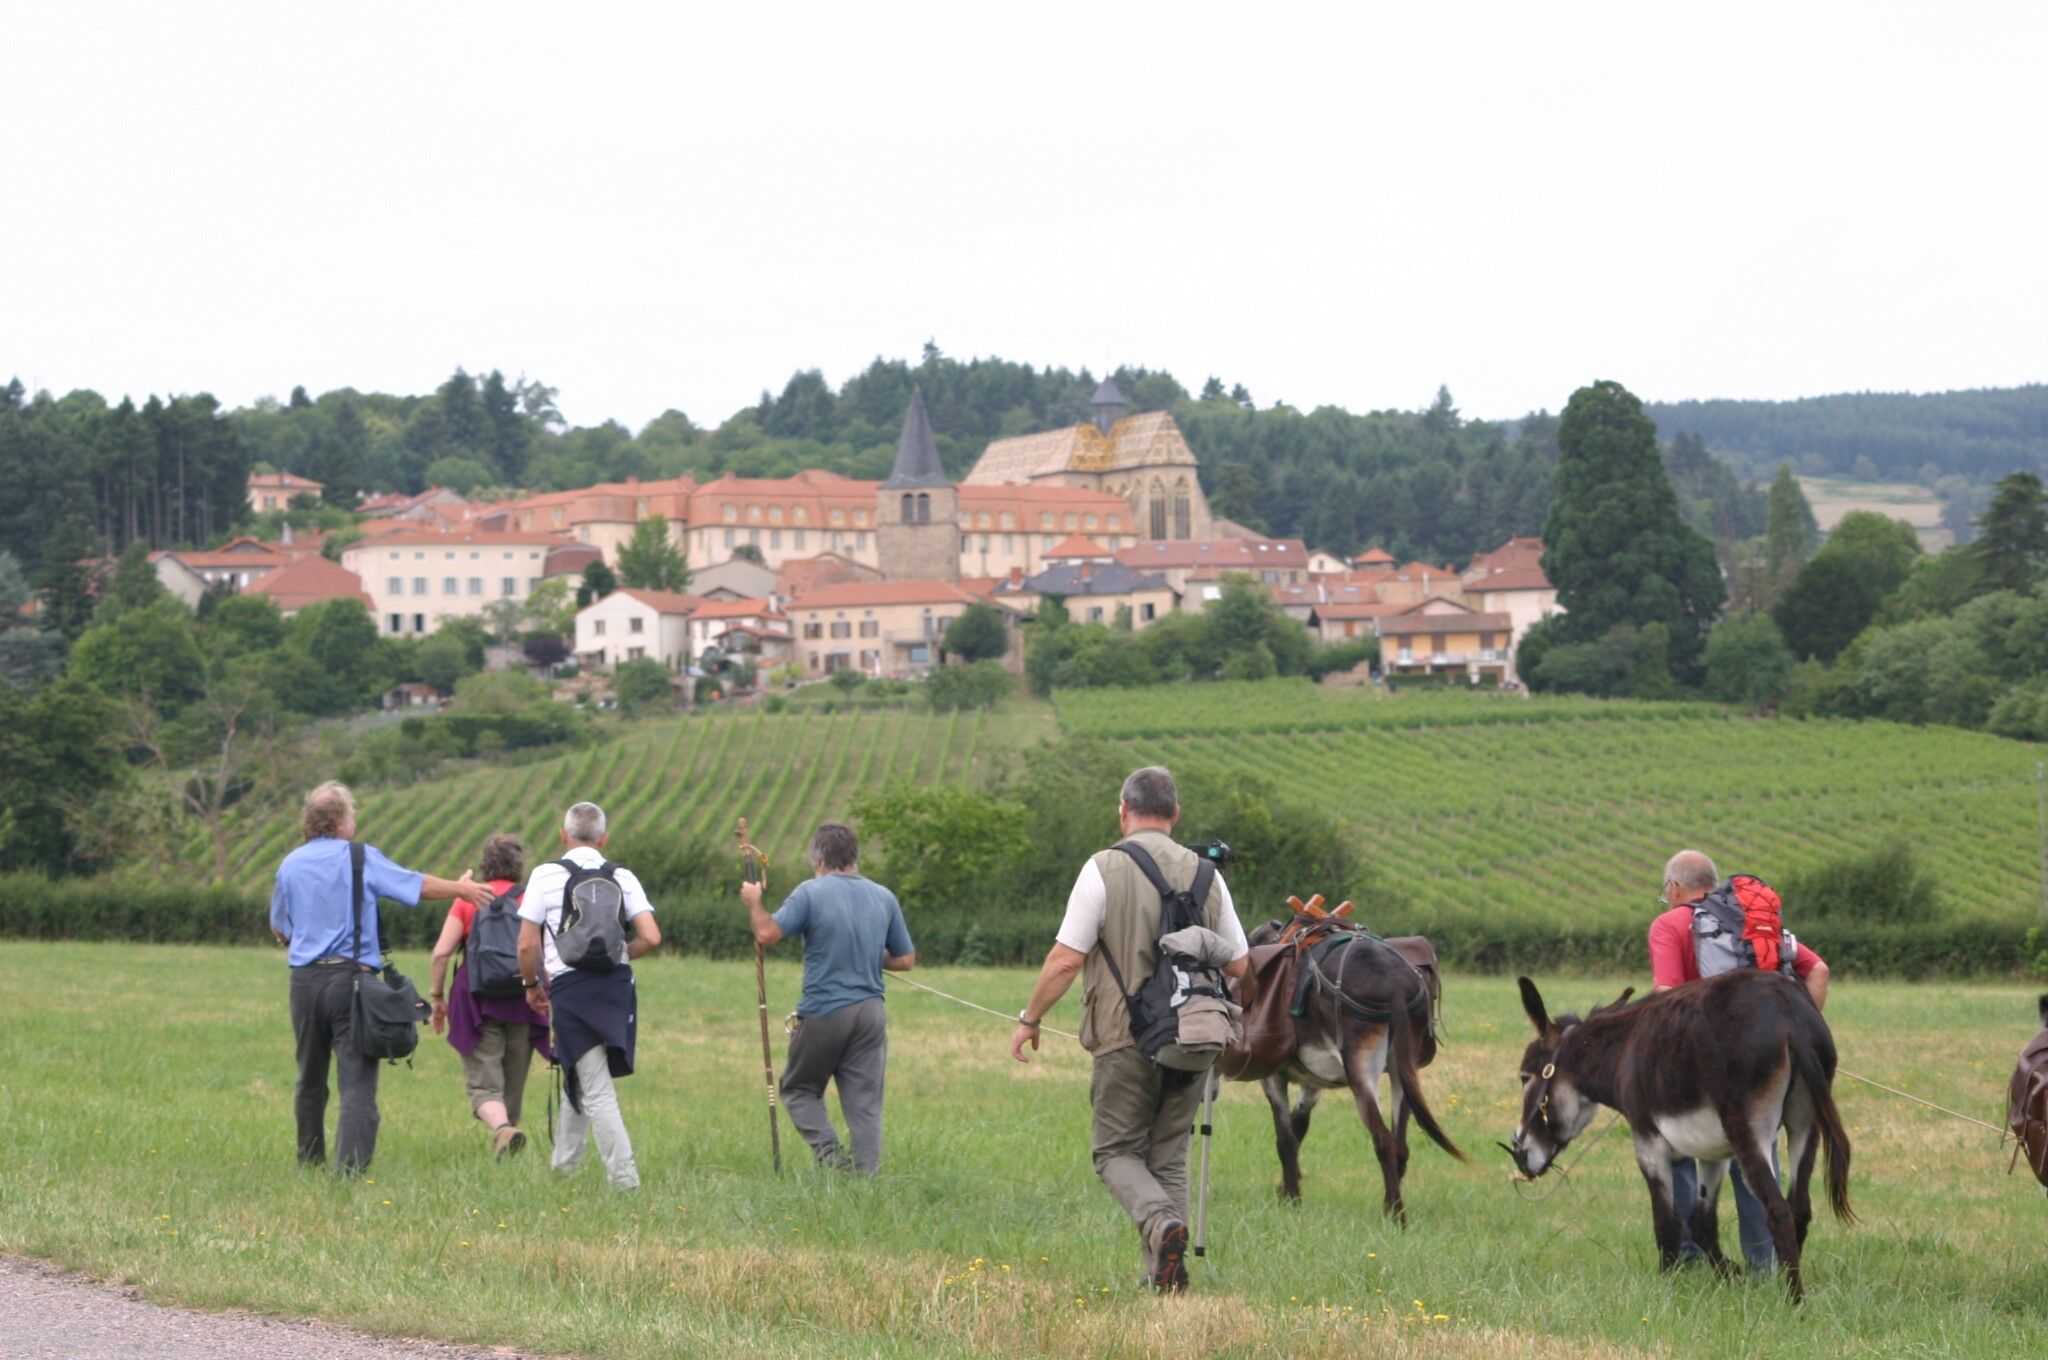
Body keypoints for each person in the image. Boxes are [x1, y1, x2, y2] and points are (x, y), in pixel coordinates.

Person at [1007, 766, 1251, 1293]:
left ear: (1123, 809)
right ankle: (1165, 1277)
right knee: (1168, 1155)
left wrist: (1030, 1019)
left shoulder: (1103, 868)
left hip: (1125, 1036)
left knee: (1115, 1152)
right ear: (1176, 815)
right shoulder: (1210, 876)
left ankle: (1162, 1227)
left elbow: (1065, 961)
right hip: (1195, 1034)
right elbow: (1240, 966)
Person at [269, 781, 492, 1175]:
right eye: (352, 814)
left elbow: (280, 928)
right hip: (350, 981)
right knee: (355, 1080)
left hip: (303, 982)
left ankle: (310, 1162)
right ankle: (349, 1172)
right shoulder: (359, 857)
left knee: (310, 1076)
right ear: (341, 822)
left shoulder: (289, 864)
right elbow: (415, 884)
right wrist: (461, 888)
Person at [1651, 848, 1830, 1275]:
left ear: (1675, 887)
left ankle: (1689, 1258)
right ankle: (1766, 1263)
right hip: (1765, 1060)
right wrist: (1794, 1038)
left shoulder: (1669, 924)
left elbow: (1665, 997)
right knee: (1757, 1157)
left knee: (1674, 1151)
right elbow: (1817, 970)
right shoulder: (1750, 921)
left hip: (1696, 1065)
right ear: (1713, 884)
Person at [741, 821, 916, 1174]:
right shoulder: (883, 896)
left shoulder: (810, 892)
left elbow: (767, 933)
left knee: (798, 1090)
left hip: (826, 1010)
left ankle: (835, 1162)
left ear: (818, 860)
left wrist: (754, 902)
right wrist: (866, 954)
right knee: (864, 1105)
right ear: (854, 857)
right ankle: (866, 1179)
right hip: (871, 1012)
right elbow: (905, 960)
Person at [515, 801, 660, 1191]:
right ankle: (564, 1167)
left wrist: (531, 987)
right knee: (579, 1075)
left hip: (570, 989)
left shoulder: (545, 875)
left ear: (563, 836)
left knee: (595, 1087)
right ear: (603, 838)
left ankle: (626, 1182)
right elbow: (652, 936)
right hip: (615, 988)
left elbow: (527, 946)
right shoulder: (622, 876)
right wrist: (623, 953)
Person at [427, 833, 554, 1158]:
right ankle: (508, 1135)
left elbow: (441, 954)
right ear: (519, 864)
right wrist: (548, 997)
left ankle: (502, 1131)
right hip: (524, 998)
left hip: (477, 1000)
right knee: (513, 1079)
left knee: (484, 1083)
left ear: (485, 864)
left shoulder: (469, 898)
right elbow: (541, 953)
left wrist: (437, 997)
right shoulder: (530, 900)